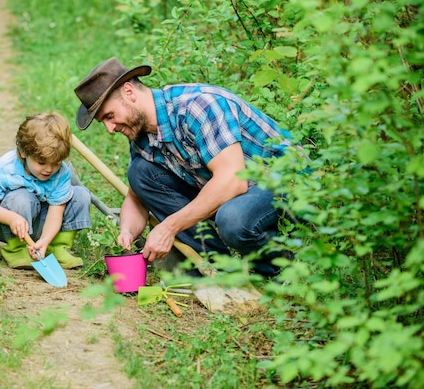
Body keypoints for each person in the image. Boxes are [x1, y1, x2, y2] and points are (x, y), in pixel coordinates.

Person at [73, 57, 296, 277]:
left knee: (233, 218)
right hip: (238, 187)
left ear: (129, 93)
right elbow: (136, 197)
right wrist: (126, 232)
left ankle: (278, 273)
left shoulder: (198, 106)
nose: (110, 129)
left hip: (286, 181)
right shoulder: (141, 134)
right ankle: (222, 267)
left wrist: (168, 227)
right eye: (104, 122)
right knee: (139, 173)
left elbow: (233, 181)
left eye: (110, 116)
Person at [0, 112, 91, 269]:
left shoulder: (61, 173)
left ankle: (54, 247)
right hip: (8, 225)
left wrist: (46, 238)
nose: (49, 169)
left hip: (40, 226)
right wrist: (11, 218)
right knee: (22, 197)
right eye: (41, 162)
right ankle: (15, 249)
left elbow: (56, 212)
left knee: (81, 195)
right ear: (23, 152)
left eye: (56, 163)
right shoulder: (6, 168)